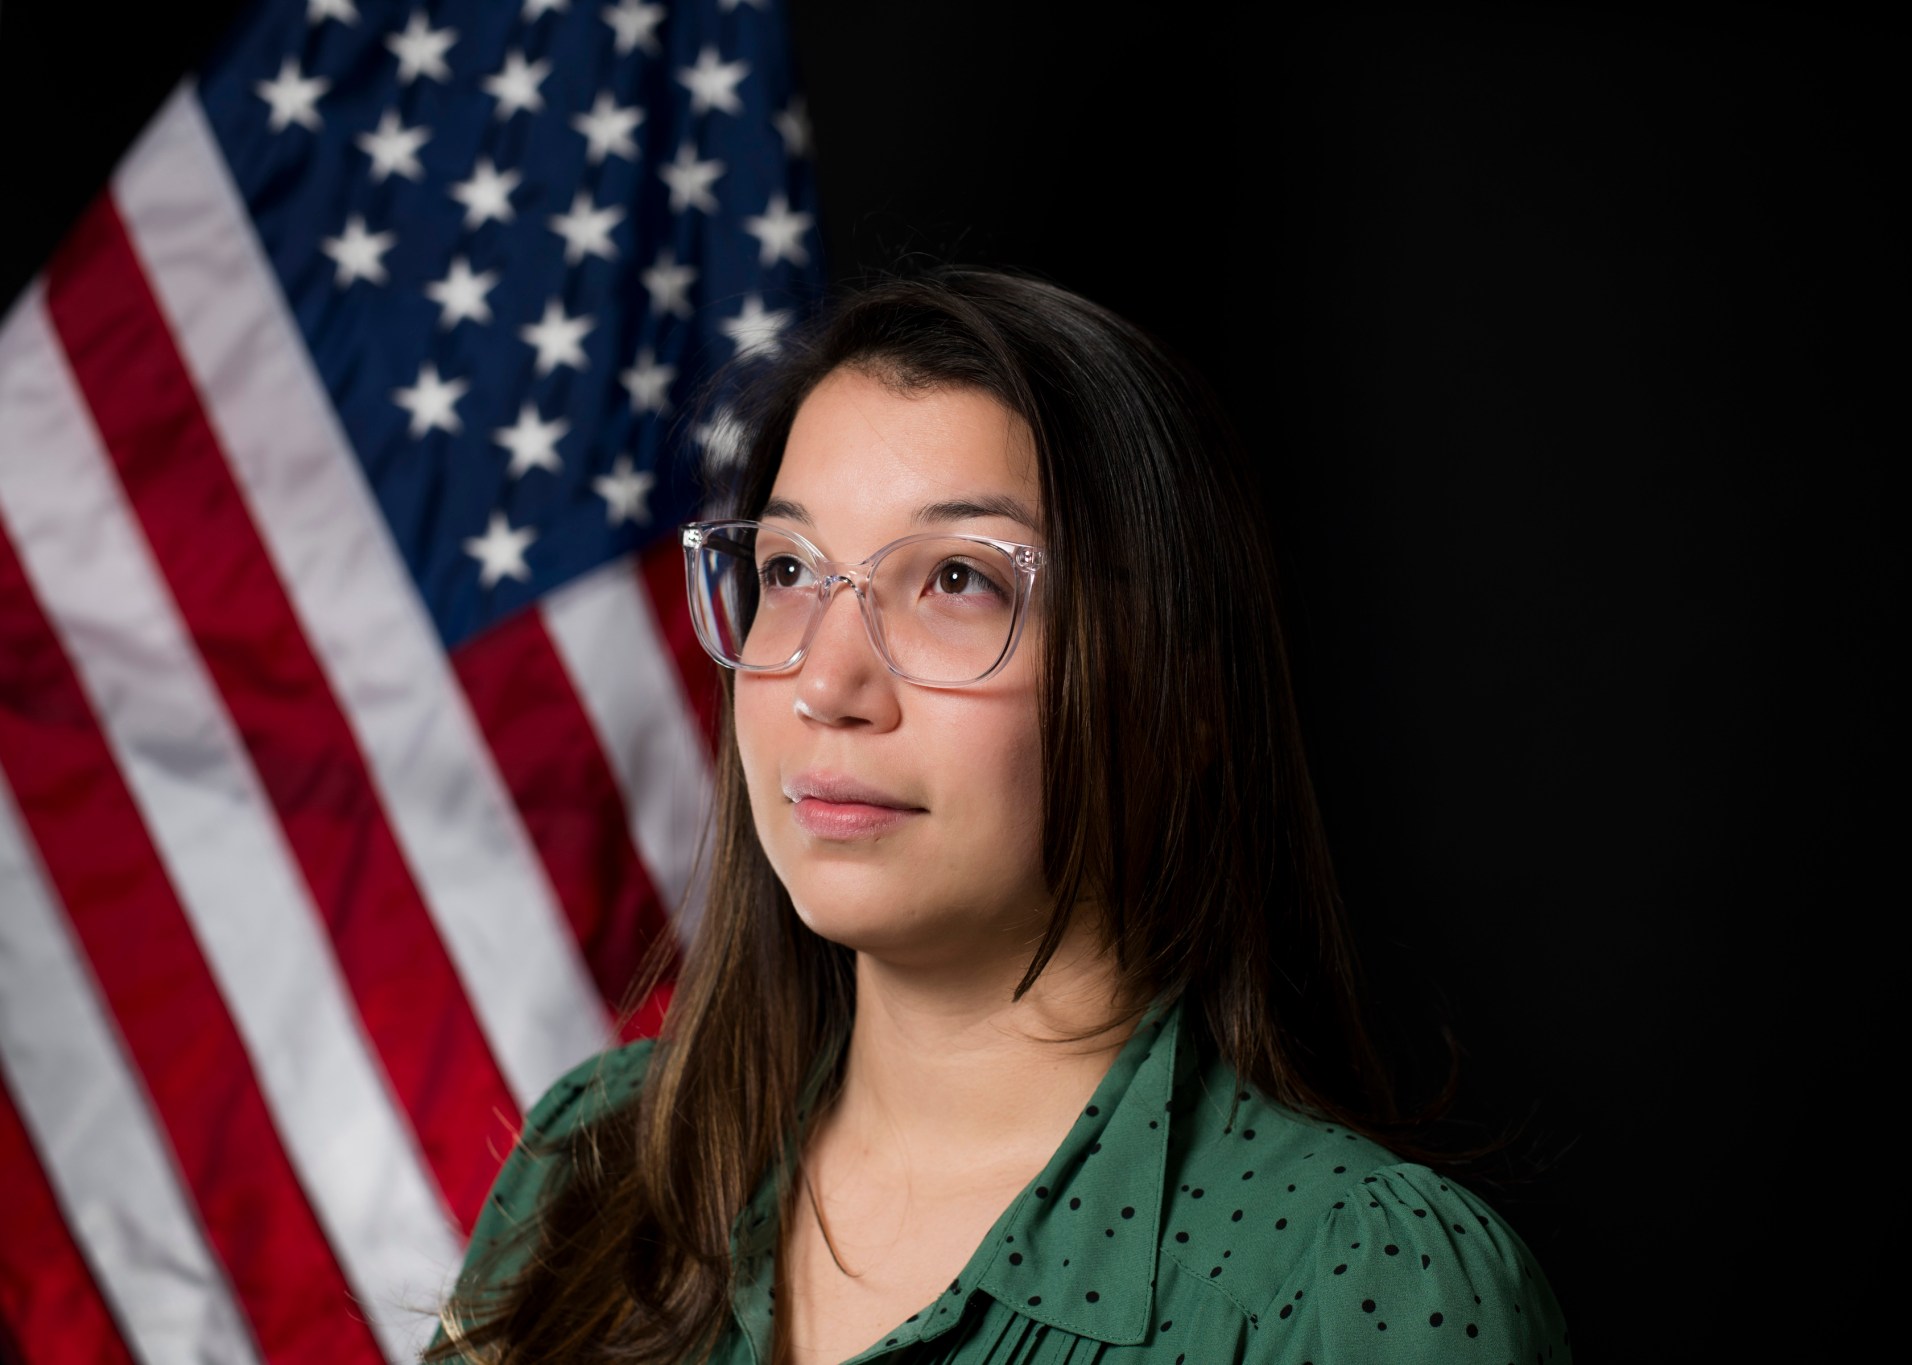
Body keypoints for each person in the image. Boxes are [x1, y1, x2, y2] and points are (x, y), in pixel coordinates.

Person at [428, 268, 1571, 1364]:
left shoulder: (1352, 1282)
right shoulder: (596, 1164)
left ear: (1173, 692)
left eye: (957, 582)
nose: (825, 684)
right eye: (787, 571)